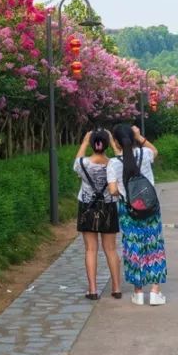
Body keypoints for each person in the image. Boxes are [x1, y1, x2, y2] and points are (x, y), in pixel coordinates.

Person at [107, 124, 167, 306]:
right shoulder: (145, 154)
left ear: (116, 142)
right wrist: (140, 136)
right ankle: (155, 292)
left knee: (133, 247)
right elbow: (154, 150)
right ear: (133, 139)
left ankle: (138, 292)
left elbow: (113, 190)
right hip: (151, 209)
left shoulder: (114, 163)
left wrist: (125, 192)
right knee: (154, 245)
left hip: (129, 210)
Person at [73, 129, 123, 301]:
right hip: (108, 207)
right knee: (110, 249)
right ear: (107, 144)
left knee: (90, 249)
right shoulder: (114, 163)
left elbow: (77, 160)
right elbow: (121, 158)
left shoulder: (83, 163)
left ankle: (92, 289)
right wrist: (112, 140)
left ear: (92, 143)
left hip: (87, 206)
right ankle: (116, 287)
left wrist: (85, 141)